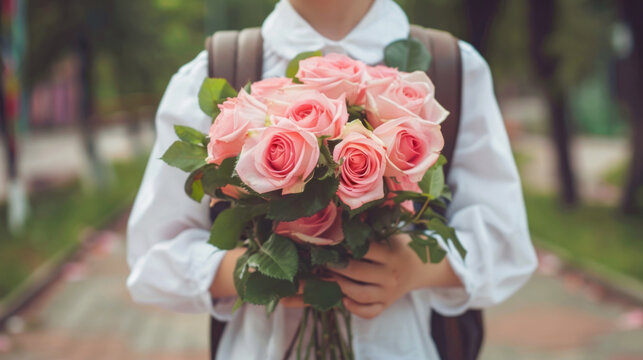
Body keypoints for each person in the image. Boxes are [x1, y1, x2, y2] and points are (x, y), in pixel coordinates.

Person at [126, 0, 538, 359]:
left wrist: (415, 269)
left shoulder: (452, 66)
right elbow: (153, 257)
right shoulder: (217, 69)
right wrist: (258, 270)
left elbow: (505, 242)